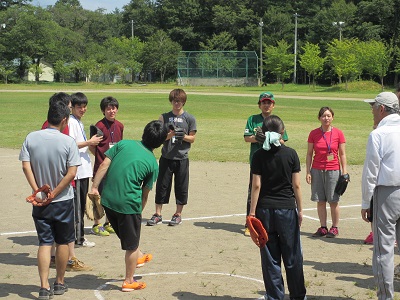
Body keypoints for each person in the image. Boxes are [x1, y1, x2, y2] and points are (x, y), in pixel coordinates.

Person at [90, 120, 168, 292]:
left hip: (108, 200)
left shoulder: (123, 144)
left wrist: (95, 187)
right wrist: (138, 212)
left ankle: (139, 257)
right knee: (131, 245)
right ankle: (128, 281)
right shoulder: (153, 164)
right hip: (128, 205)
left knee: (126, 235)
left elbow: (104, 164)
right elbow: (145, 193)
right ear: (160, 143)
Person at [19, 99, 81, 300]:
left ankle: (44, 286)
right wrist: (55, 191)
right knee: (63, 242)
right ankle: (59, 282)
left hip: (40, 200)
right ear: (64, 120)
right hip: (62, 200)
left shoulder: (31, 137)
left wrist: (38, 189)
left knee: (45, 243)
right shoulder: (67, 141)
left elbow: (25, 166)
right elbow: (71, 173)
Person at [249, 115, 306, 300]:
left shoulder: (258, 155)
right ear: (282, 132)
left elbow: (256, 186)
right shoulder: (291, 154)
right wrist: (300, 210)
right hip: (287, 209)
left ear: (263, 133)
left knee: (270, 257)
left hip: (265, 210)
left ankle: (275, 296)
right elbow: (296, 185)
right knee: (292, 256)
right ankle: (298, 296)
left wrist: (251, 212)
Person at [41, 93, 91, 271]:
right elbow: (68, 151)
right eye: (69, 107)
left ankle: (56, 256)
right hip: (63, 182)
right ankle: (70, 258)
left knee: (52, 223)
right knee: (66, 223)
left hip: (47, 182)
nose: (71, 109)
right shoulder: (64, 126)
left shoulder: (45, 126)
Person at [361, 92, 400, 300]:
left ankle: (385, 297)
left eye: (374, 107)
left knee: (383, 250)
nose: (372, 111)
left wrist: (366, 201)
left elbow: (371, 171)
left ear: (382, 109)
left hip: (387, 193)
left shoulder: (378, 134)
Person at [147, 89, 197, 226]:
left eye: (179, 101)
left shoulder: (190, 118)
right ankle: (158, 213)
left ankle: (178, 214)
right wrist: (171, 134)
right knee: (162, 185)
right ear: (171, 101)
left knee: (181, 186)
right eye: (175, 100)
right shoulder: (164, 117)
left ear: (183, 102)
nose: (177, 103)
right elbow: (159, 137)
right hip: (166, 157)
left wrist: (183, 136)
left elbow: (192, 138)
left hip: (182, 158)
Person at [243, 92, 288, 236]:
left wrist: (271, 138)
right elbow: (246, 138)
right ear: (259, 104)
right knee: (253, 191)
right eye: (264, 102)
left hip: (273, 162)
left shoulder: (276, 121)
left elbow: (283, 140)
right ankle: (250, 223)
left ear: (273, 105)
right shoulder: (253, 119)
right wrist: (258, 138)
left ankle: (270, 221)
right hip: (257, 161)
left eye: (269, 102)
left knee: (270, 191)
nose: (266, 105)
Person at [306, 106, 347, 238]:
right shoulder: (313, 133)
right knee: (320, 200)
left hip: (333, 169)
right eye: (323, 116)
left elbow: (342, 154)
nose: (326, 118)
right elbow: (309, 154)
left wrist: (344, 172)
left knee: (333, 200)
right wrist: (308, 171)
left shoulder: (338, 133)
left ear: (332, 117)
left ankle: (334, 227)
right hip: (317, 169)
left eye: (329, 115)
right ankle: (323, 227)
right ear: (319, 118)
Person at [68, 92, 102, 247]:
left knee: (80, 206)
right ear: (72, 107)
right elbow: (71, 144)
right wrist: (90, 142)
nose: (82, 109)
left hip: (83, 170)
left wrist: (90, 143)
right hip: (78, 170)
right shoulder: (71, 122)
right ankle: (78, 238)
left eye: (84, 106)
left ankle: (78, 236)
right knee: (78, 207)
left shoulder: (78, 122)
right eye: (78, 107)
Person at [90, 96, 124, 236]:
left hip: (114, 168)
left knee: (111, 196)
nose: (111, 111)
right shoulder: (99, 126)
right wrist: (100, 158)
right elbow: (92, 146)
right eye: (108, 108)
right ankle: (96, 224)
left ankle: (108, 223)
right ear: (103, 111)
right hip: (101, 167)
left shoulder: (120, 125)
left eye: (114, 108)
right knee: (98, 196)